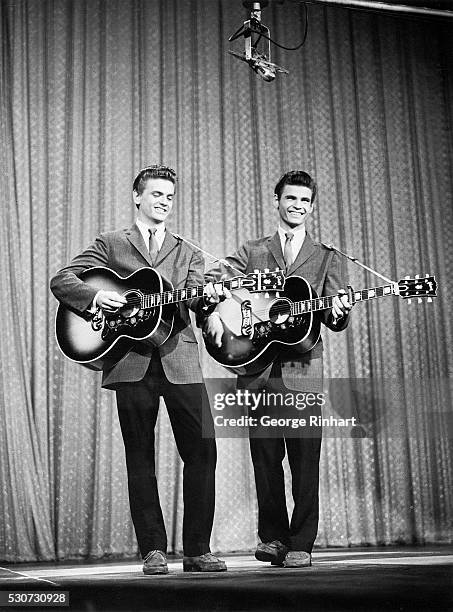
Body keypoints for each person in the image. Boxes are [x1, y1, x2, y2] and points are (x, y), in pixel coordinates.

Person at [50, 165, 226, 575]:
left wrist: (210, 298)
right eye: (157, 194)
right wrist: (98, 298)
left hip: (180, 359)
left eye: (169, 196)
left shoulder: (189, 252)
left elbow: (199, 302)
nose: (164, 202)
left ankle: (198, 550)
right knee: (140, 457)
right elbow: (63, 280)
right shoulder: (112, 243)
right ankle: (153, 550)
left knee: (202, 452)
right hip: (131, 363)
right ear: (137, 196)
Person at [203, 170, 352, 568]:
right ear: (276, 200)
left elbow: (336, 316)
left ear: (311, 207)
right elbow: (215, 277)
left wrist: (339, 310)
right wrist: (222, 307)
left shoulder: (326, 257)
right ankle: (272, 539)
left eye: (304, 201)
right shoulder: (252, 250)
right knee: (265, 458)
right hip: (258, 370)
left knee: (304, 460)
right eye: (291, 199)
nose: (297, 207)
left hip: (302, 369)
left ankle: (302, 541)